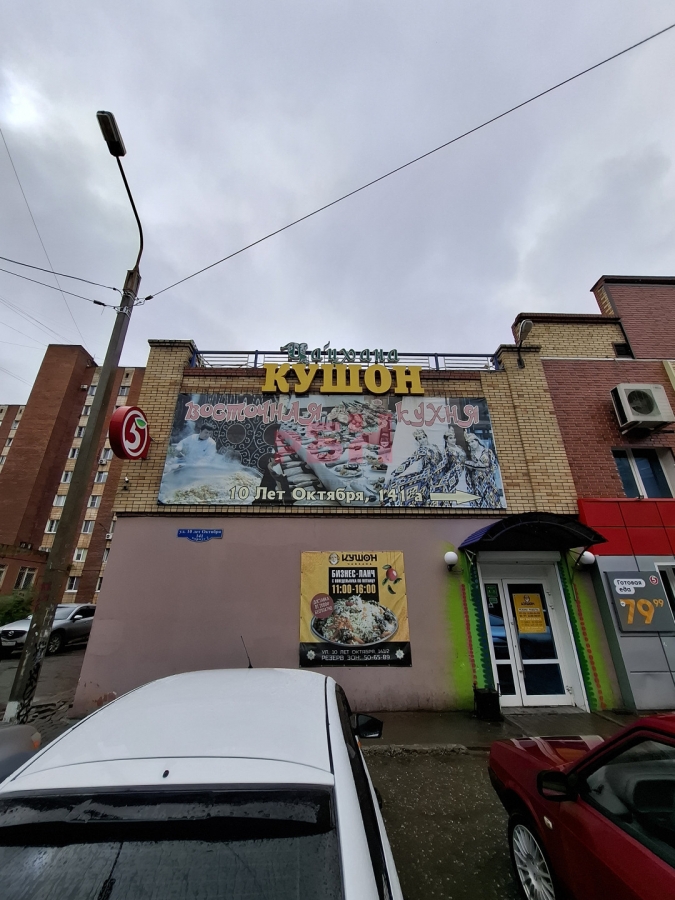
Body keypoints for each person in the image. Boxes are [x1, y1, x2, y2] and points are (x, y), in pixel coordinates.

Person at [384, 429, 441, 506]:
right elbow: (409, 461)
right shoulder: (422, 450)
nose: (423, 440)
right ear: (418, 441)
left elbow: (441, 459)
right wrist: (394, 473)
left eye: (423, 437)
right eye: (420, 439)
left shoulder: (435, 446)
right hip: (427, 474)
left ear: (426, 437)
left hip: (438, 472)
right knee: (398, 483)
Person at [464, 432, 503, 507]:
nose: (471, 444)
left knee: (492, 502)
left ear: (477, 441)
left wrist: (485, 468)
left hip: (489, 482)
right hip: (477, 483)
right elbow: (469, 471)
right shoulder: (470, 455)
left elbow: (494, 466)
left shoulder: (488, 452)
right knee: (480, 504)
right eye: (469, 443)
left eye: (472, 441)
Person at [430, 427, 466, 505]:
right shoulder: (447, 451)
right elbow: (443, 464)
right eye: (450, 438)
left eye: (454, 438)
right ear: (446, 440)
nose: (453, 440)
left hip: (464, 472)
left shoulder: (459, 448)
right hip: (454, 474)